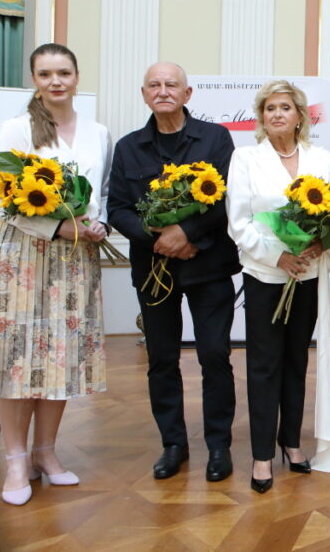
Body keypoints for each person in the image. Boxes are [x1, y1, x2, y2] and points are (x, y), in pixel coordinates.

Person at [0, 44, 112, 505]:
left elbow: (102, 195)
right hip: (20, 256)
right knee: (18, 358)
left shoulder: (98, 132)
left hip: (74, 257)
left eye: (63, 73)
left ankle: (45, 454)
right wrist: (56, 225)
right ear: (34, 80)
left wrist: (97, 223)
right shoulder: (17, 129)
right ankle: (16, 460)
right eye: (45, 74)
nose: (55, 81)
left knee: (59, 355)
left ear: (77, 76)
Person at [107, 62, 241, 482]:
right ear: (144, 94)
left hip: (210, 268)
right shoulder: (129, 147)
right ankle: (174, 444)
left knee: (214, 356)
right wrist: (157, 238)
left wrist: (187, 232)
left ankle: (219, 446)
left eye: (171, 85)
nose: (163, 91)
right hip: (154, 271)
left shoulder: (216, 138)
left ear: (187, 93)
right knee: (162, 359)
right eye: (154, 85)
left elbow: (227, 199)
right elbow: (117, 209)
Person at [226, 80, 330, 493]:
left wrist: (321, 240)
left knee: (296, 362)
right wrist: (278, 257)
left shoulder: (319, 157)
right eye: (269, 108)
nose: (276, 115)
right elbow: (239, 223)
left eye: (285, 107)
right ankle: (262, 454)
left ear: (300, 116)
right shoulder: (245, 158)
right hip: (266, 276)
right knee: (264, 365)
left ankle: (291, 442)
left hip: (308, 274)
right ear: (261, 117)